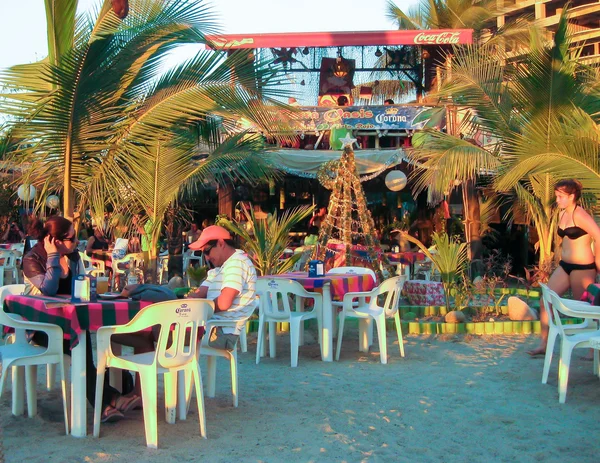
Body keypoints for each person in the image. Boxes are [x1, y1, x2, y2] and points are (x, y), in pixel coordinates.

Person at [22, 216, 142, 422]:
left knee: (81, 339)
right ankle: (110, 400)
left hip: (69, 322)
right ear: (55, 241)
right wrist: (52, 256)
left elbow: (80, 287)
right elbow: (48, 290)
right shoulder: (32, 259)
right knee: (81, 345)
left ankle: (107, 402)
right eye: (72, 239)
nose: (77, 242)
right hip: (41, 327)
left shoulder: (73, 257)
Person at [528, 179, 600, 356]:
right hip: (565, 266)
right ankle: (544, 344)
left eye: (560, 196)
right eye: (557, 196)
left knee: (586, 309)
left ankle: (593, 349)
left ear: (572, 196)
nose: (557, 200)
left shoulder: (580, 215)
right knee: (546, 301)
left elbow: (598, 236)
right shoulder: (562, 214)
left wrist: (598, 261)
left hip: (583, 268)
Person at [187, 225, 257, 350]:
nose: (207, 257)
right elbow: (198, 294)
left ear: (220, 243)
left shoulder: (237, 263)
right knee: (152, 332)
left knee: (161, 334)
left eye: (207, 251)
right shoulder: (220, 269)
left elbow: (224, 303)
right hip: (210, 328)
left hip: (221, 331)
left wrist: (196, 309)